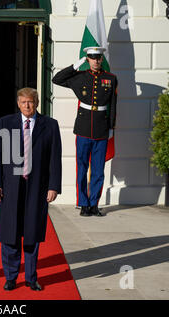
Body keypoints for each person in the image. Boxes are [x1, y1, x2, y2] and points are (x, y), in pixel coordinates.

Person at [0, 87, 62, 291]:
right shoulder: (5, 123)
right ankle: (11, 277)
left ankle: (31, 278)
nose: (27, 106)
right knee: (10, 234)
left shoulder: (50, 125)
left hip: (37, 188)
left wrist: (53, 187)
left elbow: (54, 158)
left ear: (37, 103)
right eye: (23, 102)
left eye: (30, 102)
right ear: (18, 103)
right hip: (11, 187)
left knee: (32, 234)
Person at [52, 47, 118, 217]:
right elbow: (56, 79)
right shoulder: (80, 77)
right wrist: (74, 66)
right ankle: (83, 204)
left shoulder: (110, 79)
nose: (95, 61)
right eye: (92, 57)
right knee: (81, 168)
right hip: (82, 128)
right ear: (87, 59)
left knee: (98, 169)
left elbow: (113, 105)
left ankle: (94, 204)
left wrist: (111, 127)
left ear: (102, 59)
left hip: (102, 129)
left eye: (98, 58)